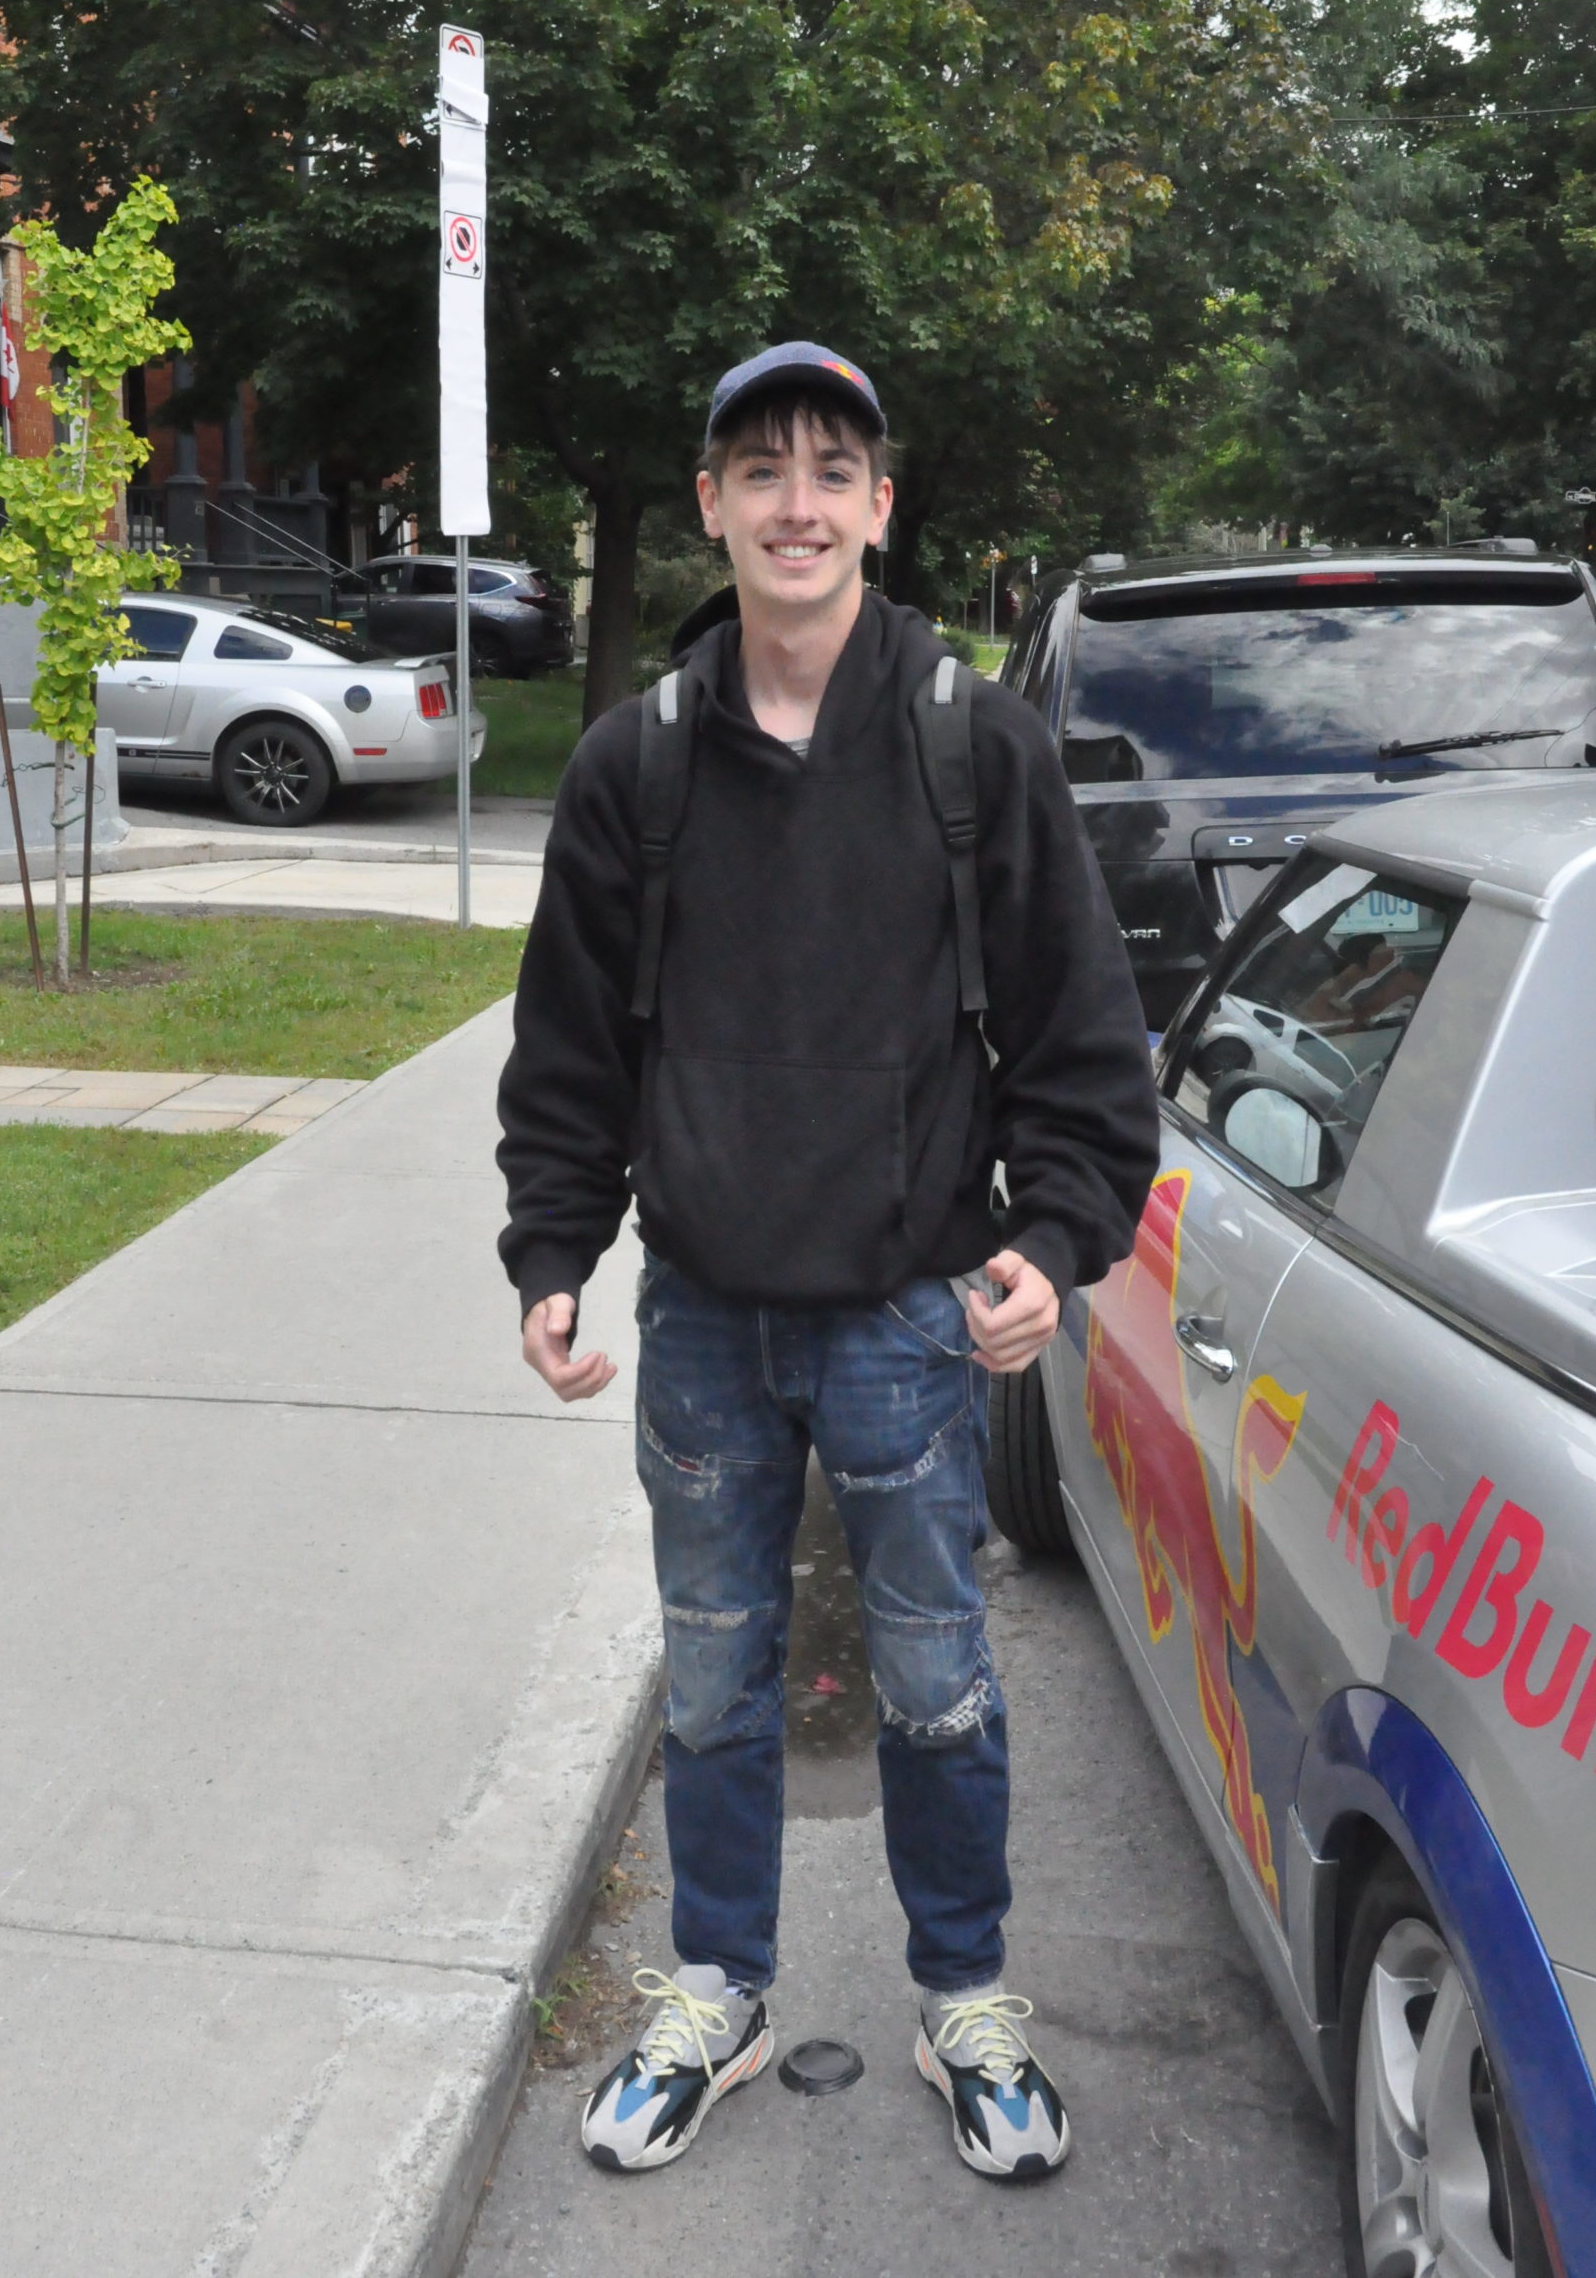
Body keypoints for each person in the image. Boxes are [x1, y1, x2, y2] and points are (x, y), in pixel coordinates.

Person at [497, 340, 1158, 2183]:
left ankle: (968, 2000)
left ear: (880, 505)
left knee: (940, 1679)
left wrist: (1053, 1240)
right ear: (710, 503)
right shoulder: (636, 761)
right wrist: (553, 1248)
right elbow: (569, 1052)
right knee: (712, 1684)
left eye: (833, 469)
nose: (799, 502)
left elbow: (1082, 1047)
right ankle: (721, 1987)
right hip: (704, 1316)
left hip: (902, 1319)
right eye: (761, 468)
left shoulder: (971, 742)